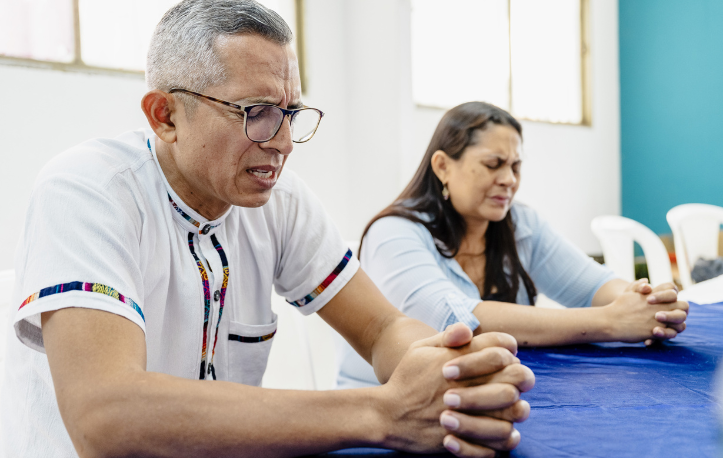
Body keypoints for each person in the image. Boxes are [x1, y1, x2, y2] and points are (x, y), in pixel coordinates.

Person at [0, 2, 537, 458]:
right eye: (256, 112)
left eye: (291, 112)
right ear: (165, 115)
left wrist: (450, 374)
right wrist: (381, 412)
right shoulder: (88, 191)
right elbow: (105, 414)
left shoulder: (280, 204)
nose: (282, 141)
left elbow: (381, 330)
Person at [336, 101, 689, 389]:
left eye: (516, 166)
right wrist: (611, 321)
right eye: (493, 164)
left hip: (485, 392)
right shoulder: (393, 233)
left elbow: (593, 285)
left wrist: (647, 303)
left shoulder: (519, 223)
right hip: (386, 412)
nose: (508, 180)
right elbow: (457, 319)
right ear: (443, 166)